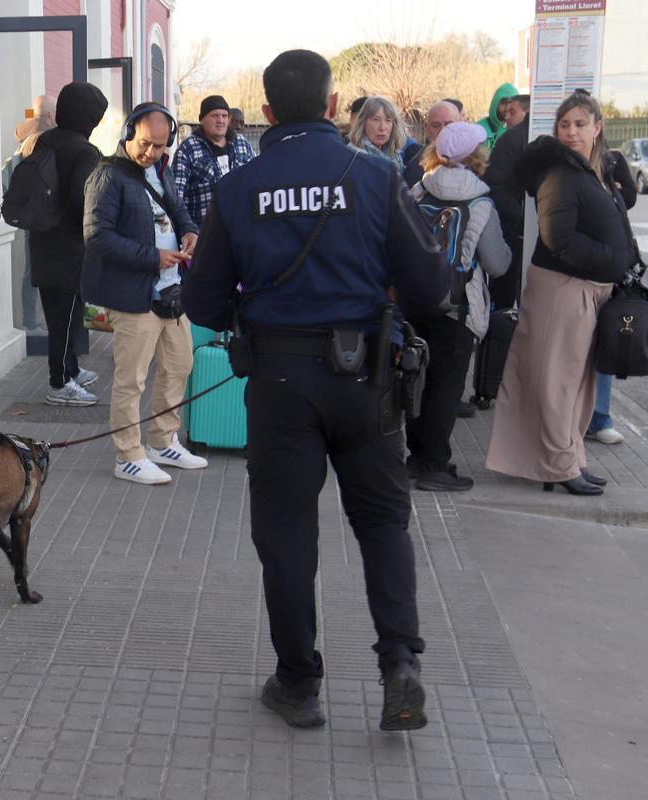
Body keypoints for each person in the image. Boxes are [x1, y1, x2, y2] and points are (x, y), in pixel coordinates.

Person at [183, 49, 450, 731]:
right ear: (335, 107)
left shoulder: (240, 188)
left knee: (287, 533)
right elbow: (429, 288)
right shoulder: (373, 175)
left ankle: (298, 682)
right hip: (367, 379)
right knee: (384, 524)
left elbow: (206, 305)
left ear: (266, 113)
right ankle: (401, 668)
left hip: (279, 383)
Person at [484, 91, 634, 496]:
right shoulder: (558, 175)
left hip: (588, 290)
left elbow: (620, 211)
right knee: (556, 383)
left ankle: (570, 458)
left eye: (580, 124)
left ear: (597, 127)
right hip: (563, 290)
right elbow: (559, 239)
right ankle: (558, 463)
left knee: (578, 383)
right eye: (564, 125)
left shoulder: (593, 171)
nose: (571, 132)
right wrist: (611, 259)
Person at [82, 103, 208, 484]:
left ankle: (162, 439)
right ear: (129, 131)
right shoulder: (107, 176)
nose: (151, 152)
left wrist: (189, 232)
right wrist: (153, 257)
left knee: (180, 363)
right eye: (145, 144)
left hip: (169, 290)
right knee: (131, 378)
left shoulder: (157, 170)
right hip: (133, 294)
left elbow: (177, 207)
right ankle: (128, 455)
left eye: (159, 146)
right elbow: (96, 236)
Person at [406, 122, 511, 491]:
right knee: (446, 387)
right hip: (456, 304)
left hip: (413, 300)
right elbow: (496, 263)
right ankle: (435, 465)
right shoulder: (481, 201)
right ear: (477, 157)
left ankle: (415, 458)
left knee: (414, 377)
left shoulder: (417, 191)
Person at [28, 83, 108, 406]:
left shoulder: (45, 141)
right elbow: (82, 200)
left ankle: (70, 369)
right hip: (69, 249)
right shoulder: (83, 151)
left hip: (43, 242)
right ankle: (60, 383)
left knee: (61, 315)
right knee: (66, 318)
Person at [586, 150, 638, 445]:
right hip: (576, 275)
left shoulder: (613, 159)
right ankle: (577, 418)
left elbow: (628, 197)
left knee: (607, 342)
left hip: (612, 274)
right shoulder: (563, 163)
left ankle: (600, 417)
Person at [2, 95, 57, 331]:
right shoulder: (46, 140)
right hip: (46, 215)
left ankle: (31, 320)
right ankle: (37, 320)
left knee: (32, 270)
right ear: (50, 116)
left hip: (29, 217)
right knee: (41, 270)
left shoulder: (23, 139)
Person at [173, 95, 256, 227]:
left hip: (241, 229)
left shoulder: (243, 144)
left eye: (224, 116)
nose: (220, 121)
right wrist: (187, 230)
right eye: (215, 116)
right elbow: (176, 197)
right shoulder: (187, 149)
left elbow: (256, 182)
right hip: (205, 233)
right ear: (201, 119)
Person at [485, 94, 532, 311]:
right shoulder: (510, 140)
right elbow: (495, 185)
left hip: (526, 232)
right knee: (505, 295)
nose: (507, 119)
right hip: (512, 231)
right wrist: (523, 216)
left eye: (512, 112)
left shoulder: (528, 138)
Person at [403, 100, 463, 187]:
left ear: (460, 125)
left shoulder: (474, 159)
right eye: (436, 125)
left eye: (448, 124)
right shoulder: (416, 168)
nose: (443, 131)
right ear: (427, 129)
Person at [348, 96, 408, 174]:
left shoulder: (395, 157)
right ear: (363, 122)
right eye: (375, 120)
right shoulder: (355, 156)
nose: (382, 127)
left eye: (388, 120)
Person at [477, 83, 519, 151]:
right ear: (495, 103)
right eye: (504, 103)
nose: (507, 108)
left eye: (511, 103)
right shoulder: (478, 129)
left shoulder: (518, 130)